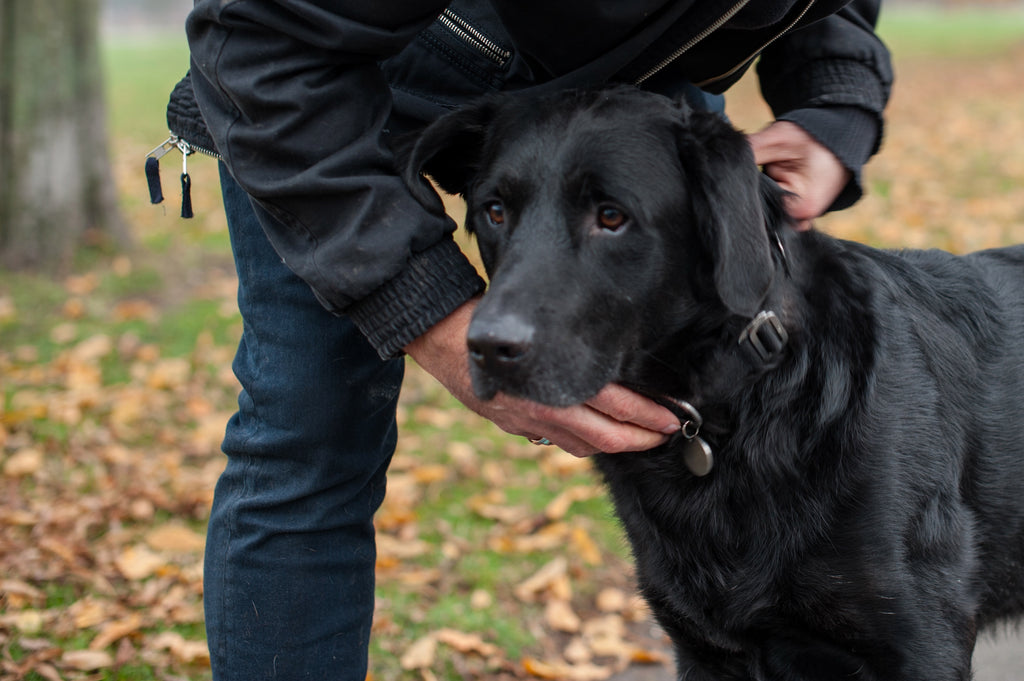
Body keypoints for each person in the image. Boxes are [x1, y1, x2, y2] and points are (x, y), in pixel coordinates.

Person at [174, 2, 892, 678]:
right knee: (309, 441)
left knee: (723, 401)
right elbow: (262, 40)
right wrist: (426, 310)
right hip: (324, 96)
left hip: (649, 92)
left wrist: (835, 98)